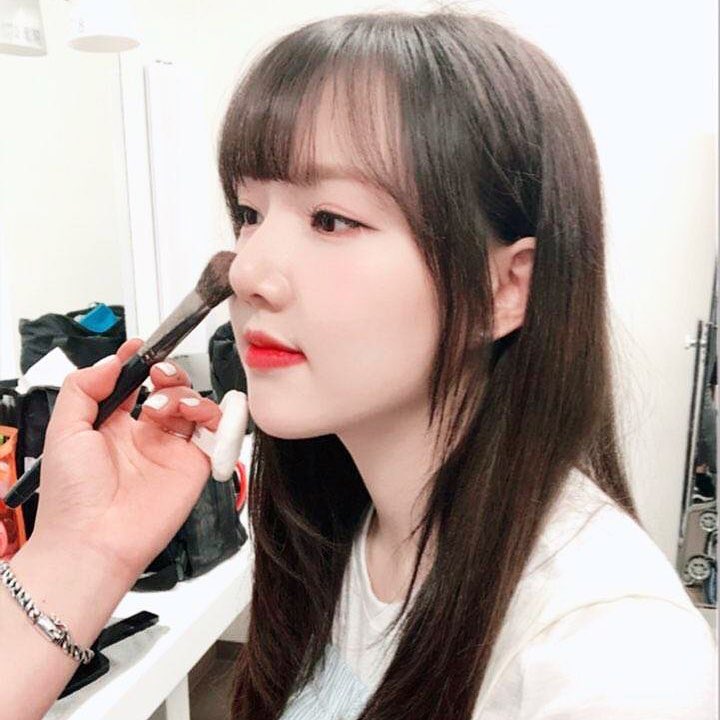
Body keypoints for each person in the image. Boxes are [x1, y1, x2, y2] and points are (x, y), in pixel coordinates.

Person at [1, 9, 717, 720]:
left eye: (331, 219)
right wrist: (84, 547)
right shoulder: (341, 529)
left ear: (504, 288)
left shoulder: (610, 661)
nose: (246, 271)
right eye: (250, 214)